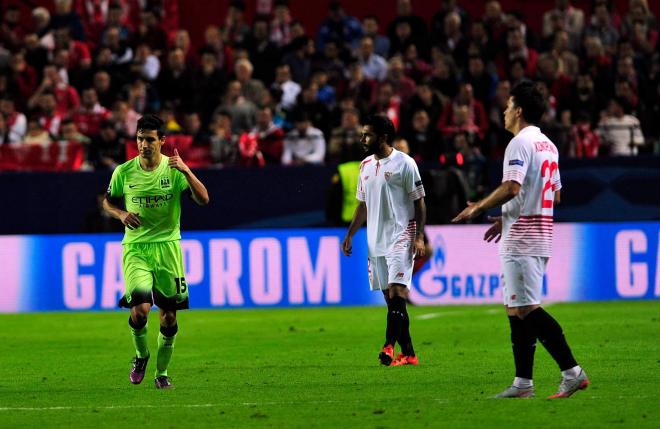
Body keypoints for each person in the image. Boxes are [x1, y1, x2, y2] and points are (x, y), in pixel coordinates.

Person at [451, 82, 588, 398]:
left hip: (523, 240)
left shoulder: (519, 144)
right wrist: (507, 216)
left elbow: (512, 187)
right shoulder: (548, 145)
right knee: (515, 308)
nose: (504, 110)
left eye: (508, 105)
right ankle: (523, 383)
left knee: (527, 308)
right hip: (537, 233)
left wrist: (479, 207)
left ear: (519, 111)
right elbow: (555, 192)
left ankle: (573, 372)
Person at [102, 114, 209, 389]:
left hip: (168, 248)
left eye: (149, 139)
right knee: (140, 309)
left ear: (161, 141)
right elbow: (108, 202)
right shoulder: (123, 172)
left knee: (169, 316)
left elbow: (203, 199)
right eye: (140, 138)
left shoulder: (174, 171)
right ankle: (141, 355)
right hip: (136, 247)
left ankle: (161, 373)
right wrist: (121, 214)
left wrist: (186, 170)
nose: (143, 144)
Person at [341, 115, 426, 367]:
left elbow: (419, 201)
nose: (362, 139)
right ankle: (409, 353)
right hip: (375, 239)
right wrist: (350, 234)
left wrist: (419, 235)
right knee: (392, 300)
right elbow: (362, 205)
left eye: (367, 134)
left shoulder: (405, 163)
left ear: (383, 137)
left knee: (398, 291)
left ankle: (388, 346)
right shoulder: (365, 165)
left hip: (402, 234)